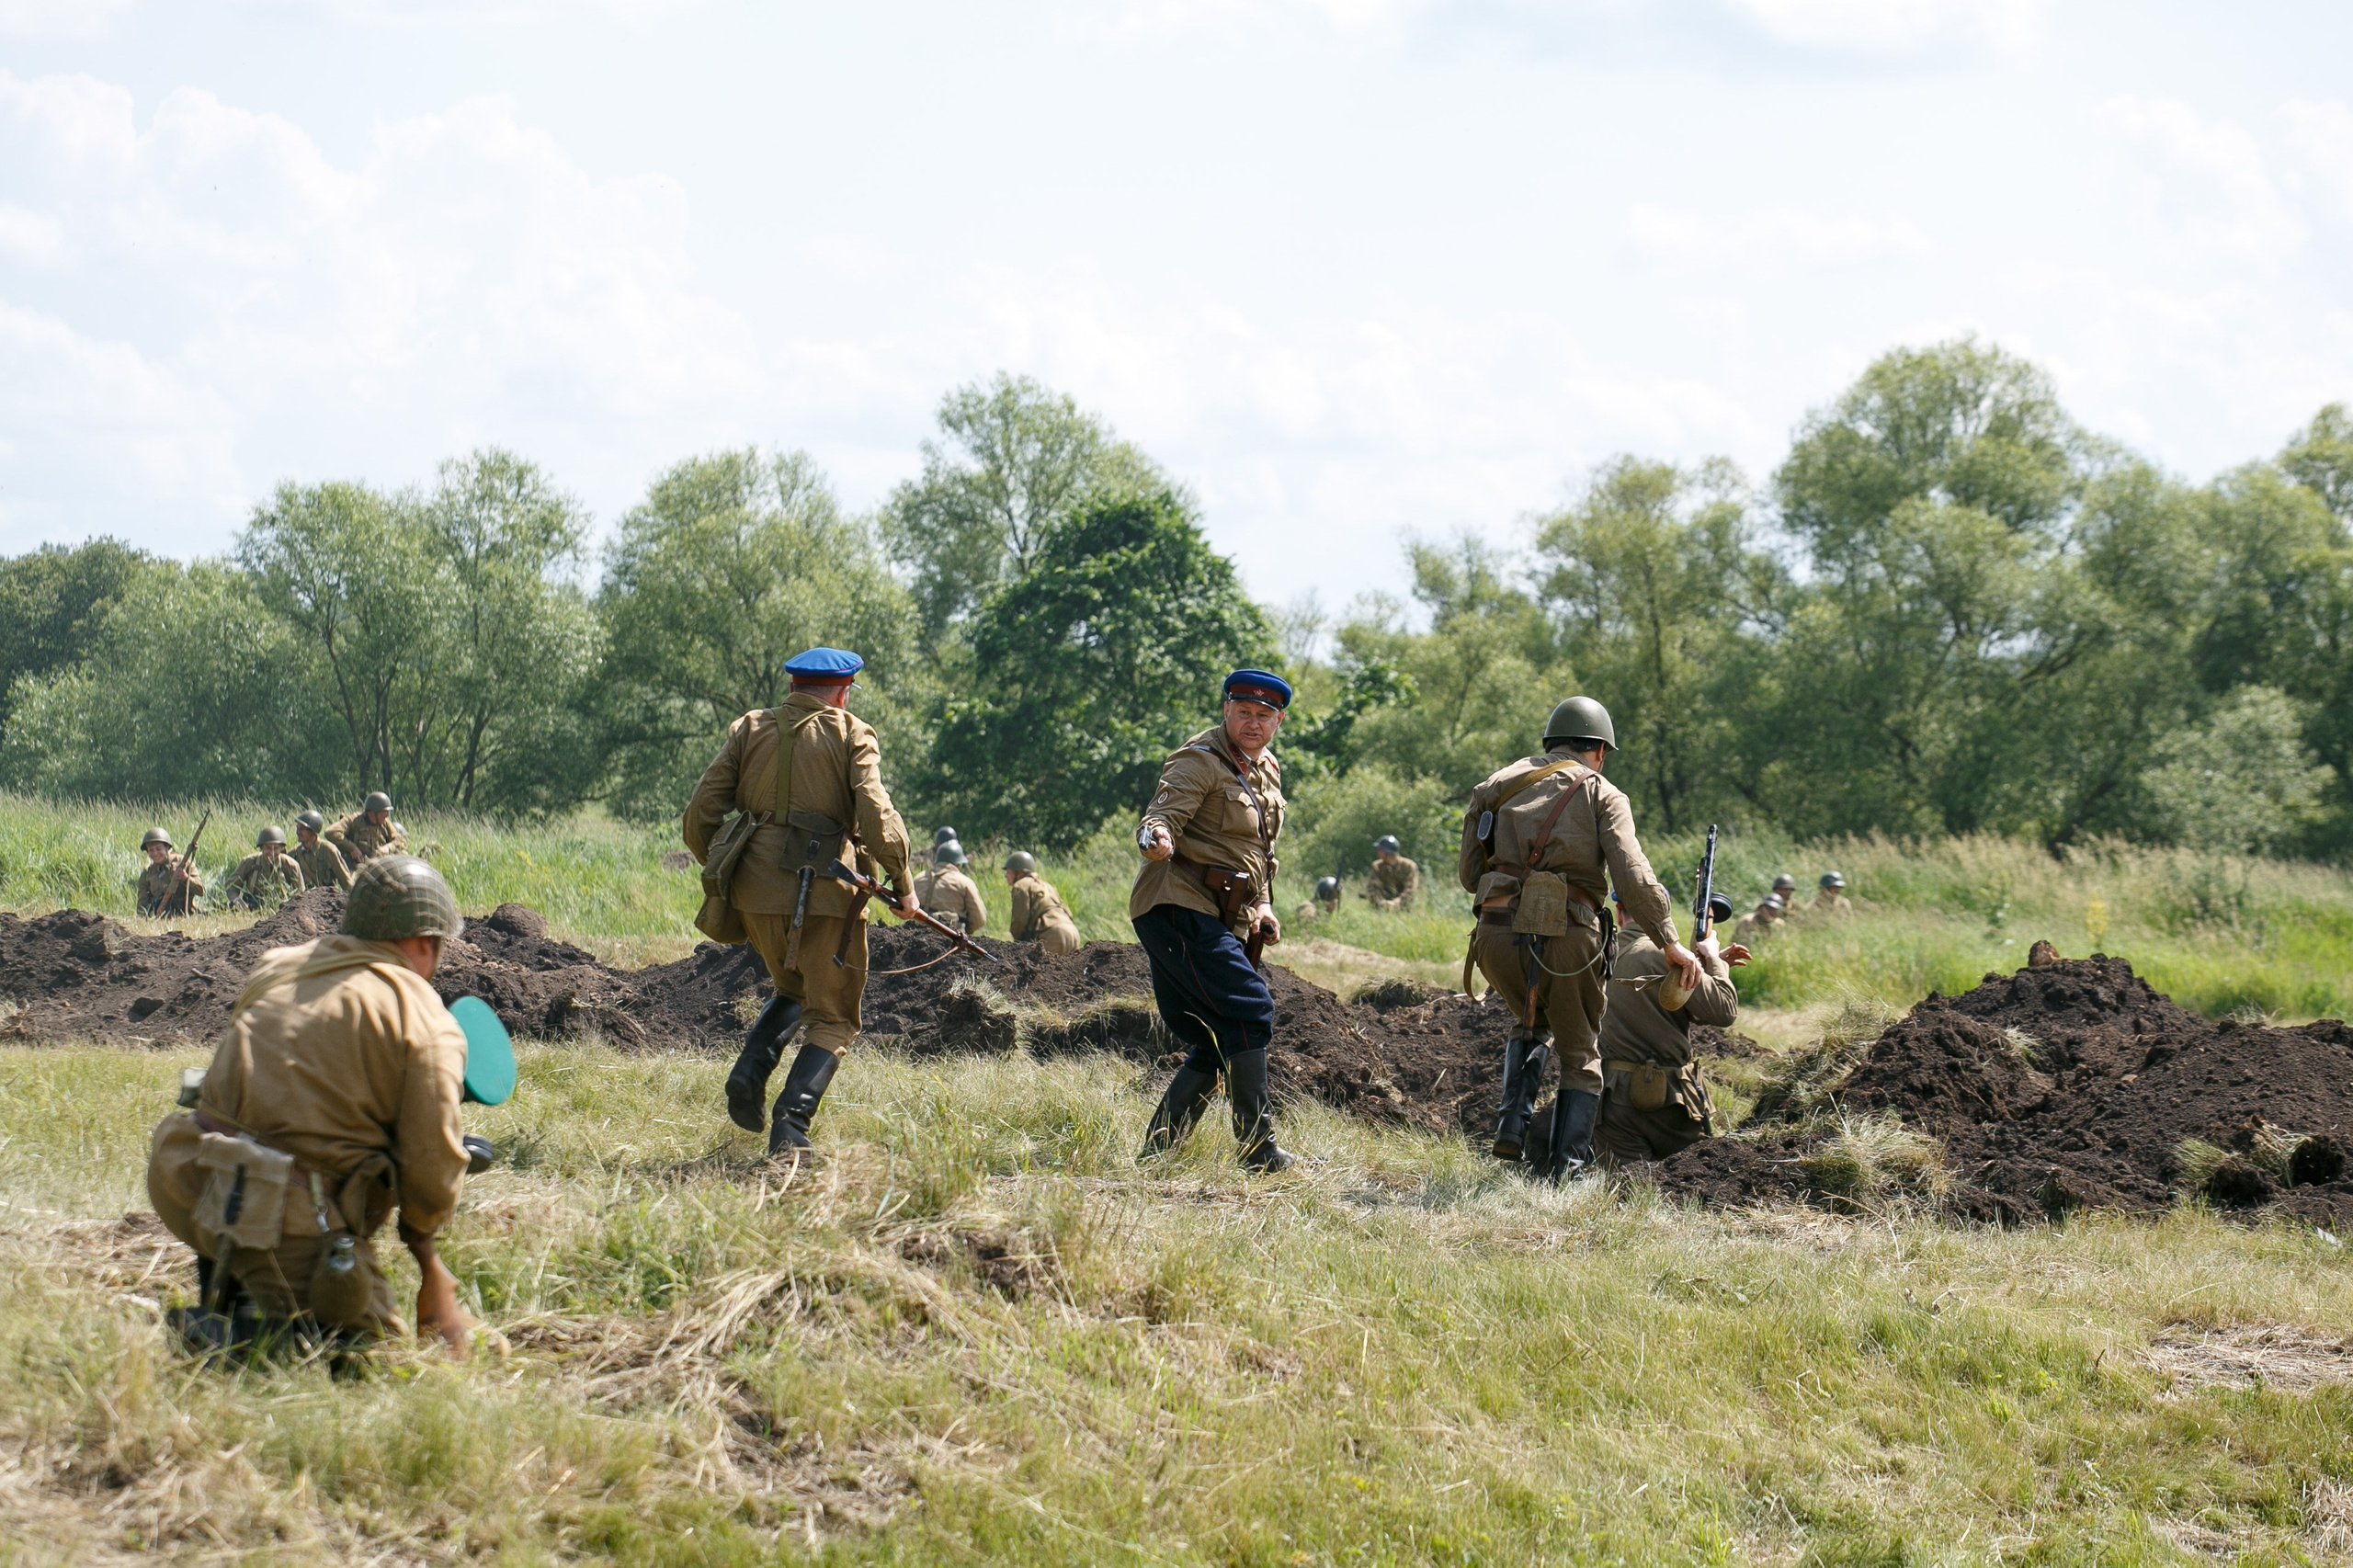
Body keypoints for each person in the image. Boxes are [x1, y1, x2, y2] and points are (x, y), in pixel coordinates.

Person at [144, 855, 475, 1354]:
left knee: (266, 1201)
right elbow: (432, 1170)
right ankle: (241, 1341)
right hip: (285, 1210)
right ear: (427, 943)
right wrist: (425, 1242)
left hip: (184, 1174)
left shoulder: (279, 964)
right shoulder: (426, 1020)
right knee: (369, 1358)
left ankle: (235, 1288)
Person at [1457, 696, 1699, 1181]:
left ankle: (1510, 1126)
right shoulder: (1603, 793)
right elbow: (1632, 875)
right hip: (1570, 934)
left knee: (1530, 1020)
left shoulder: (1495, 785)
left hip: (1496, 934)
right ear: (1600, 751)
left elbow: (1469, 874)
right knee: (1581, 1053)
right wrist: (1669, 940)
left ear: (1549, 744)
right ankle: (1566, 1170)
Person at [685, 647, 913, 1158]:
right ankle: (791, 1128)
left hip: (754, 892)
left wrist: (728, 868)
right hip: (827, 893)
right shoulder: (851, 731)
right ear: (843, 692)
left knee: (792, 985)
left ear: (792, 688)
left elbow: (701, 812)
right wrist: (903, 880)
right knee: (834, 1016)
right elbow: (876, 815)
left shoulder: (749, 727)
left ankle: (750, 1070)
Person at [1131, 668, 1294, 1173]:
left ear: (1278, 722)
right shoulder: (1198, 761)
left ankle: (1155, 1156)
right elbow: (1159, 817)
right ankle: (1258, 1151)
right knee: (1250, 1007)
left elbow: (1257, 851)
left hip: (1223, 914)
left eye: (1263, 716)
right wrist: (1154, 840)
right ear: (1226, 710)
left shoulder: (1267, 769)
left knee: (1215, 1036)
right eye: (1243, 712)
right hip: (1176, 904)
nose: (1252, 722)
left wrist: (1263, 905)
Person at [1594, 892, 1747, 1166]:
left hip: (1611, 1099)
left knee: (1624, 1191)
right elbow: (1724, 1010)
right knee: (1694, 1182)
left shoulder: (1595, 954)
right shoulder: (1670, 959)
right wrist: (1715, 961)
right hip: (1671, 1103)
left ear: (1619, 912)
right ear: (1663, 913)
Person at [1003, 851, 1082, 955]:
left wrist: (1017, 946)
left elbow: (1019, 921)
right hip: (1072, 933)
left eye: (1009, 872)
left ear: (1019, 873)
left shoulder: (1021, 885)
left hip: (1053, 935)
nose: (1006, 876)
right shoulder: (1045, 885)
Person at [219, 826, 307, 910]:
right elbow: (231, 886)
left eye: (276, 848)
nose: (272, 853)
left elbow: (300, 895)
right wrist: (238, 902)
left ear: (281, 848)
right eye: (268, 848)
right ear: (261, 848)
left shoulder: (291, 865)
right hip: (252, 908)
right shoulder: (249, 862)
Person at [914, 840, 988, 936]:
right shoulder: (965, 883)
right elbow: (979, 919)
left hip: (917, 935)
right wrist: (965, 932)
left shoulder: (918, 878)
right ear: (958, 864)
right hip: (951, 938)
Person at [324, 792, 406, 869]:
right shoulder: (354, 820)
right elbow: (331, 832)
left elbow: (400, 841)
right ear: (372, 812)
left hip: (379, 865)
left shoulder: (385, 823)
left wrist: (387, 848)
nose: (387, 815)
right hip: (357, 866)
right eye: (384, 812)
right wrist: (352, 848)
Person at [136, 825, 204, 916]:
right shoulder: (147, 872)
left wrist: (186, 878)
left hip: (186, 915)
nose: (155, 853)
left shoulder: (184, 864)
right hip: (161, 917)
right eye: (151, 850)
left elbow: (201, 891)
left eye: (158, 849)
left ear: (167, 848)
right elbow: (142, 903)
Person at [290, 810, 354, 893]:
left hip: (326, 900)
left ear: (312, 831)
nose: (298, 832)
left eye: (301, 829)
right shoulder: (293, 854)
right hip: (302, 901)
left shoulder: (329, 850)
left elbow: (345, 880)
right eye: (297, 828)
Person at [1364, 835, 1419, 911]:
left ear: (1387, 852)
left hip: (1403, 908)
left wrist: (1394, 904)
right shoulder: (1377, 866)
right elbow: (1372, 888)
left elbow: (1410, 890)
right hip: (1380, 909)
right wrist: (1381, 903)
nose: (1378, 853)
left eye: (1380, 851)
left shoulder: (1409, 866)